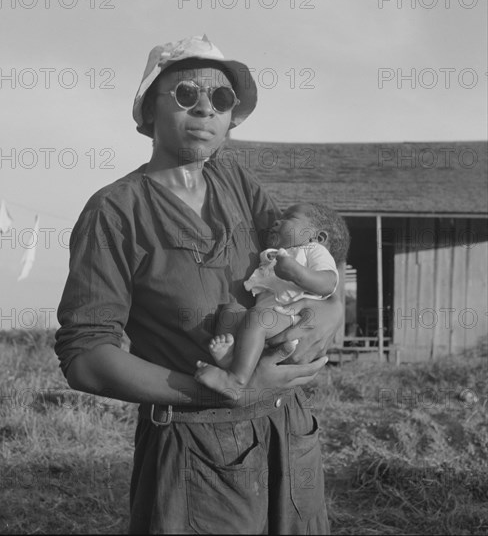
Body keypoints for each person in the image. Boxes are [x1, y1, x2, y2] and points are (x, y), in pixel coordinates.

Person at [54, 35, 344, 534]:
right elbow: (85, 357)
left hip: (288, 430)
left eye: (222, 100)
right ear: (148, 112)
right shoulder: (115, 211)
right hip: (197, 447)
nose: (206, 109)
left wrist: (332, 307)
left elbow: (309, 259)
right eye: (186, 94)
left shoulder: (235, 181)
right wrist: (219, 392)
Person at [195, 202, 350, 396]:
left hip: (292, 319)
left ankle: (235, 381)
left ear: (317, 236)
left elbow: (328, 282)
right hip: (269, 318)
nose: (276, 222)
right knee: (233, 310)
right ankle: (232, 358)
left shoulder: (314, 251)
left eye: (289, 218)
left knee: (256, 318)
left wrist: (296, 273)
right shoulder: (274, 254)